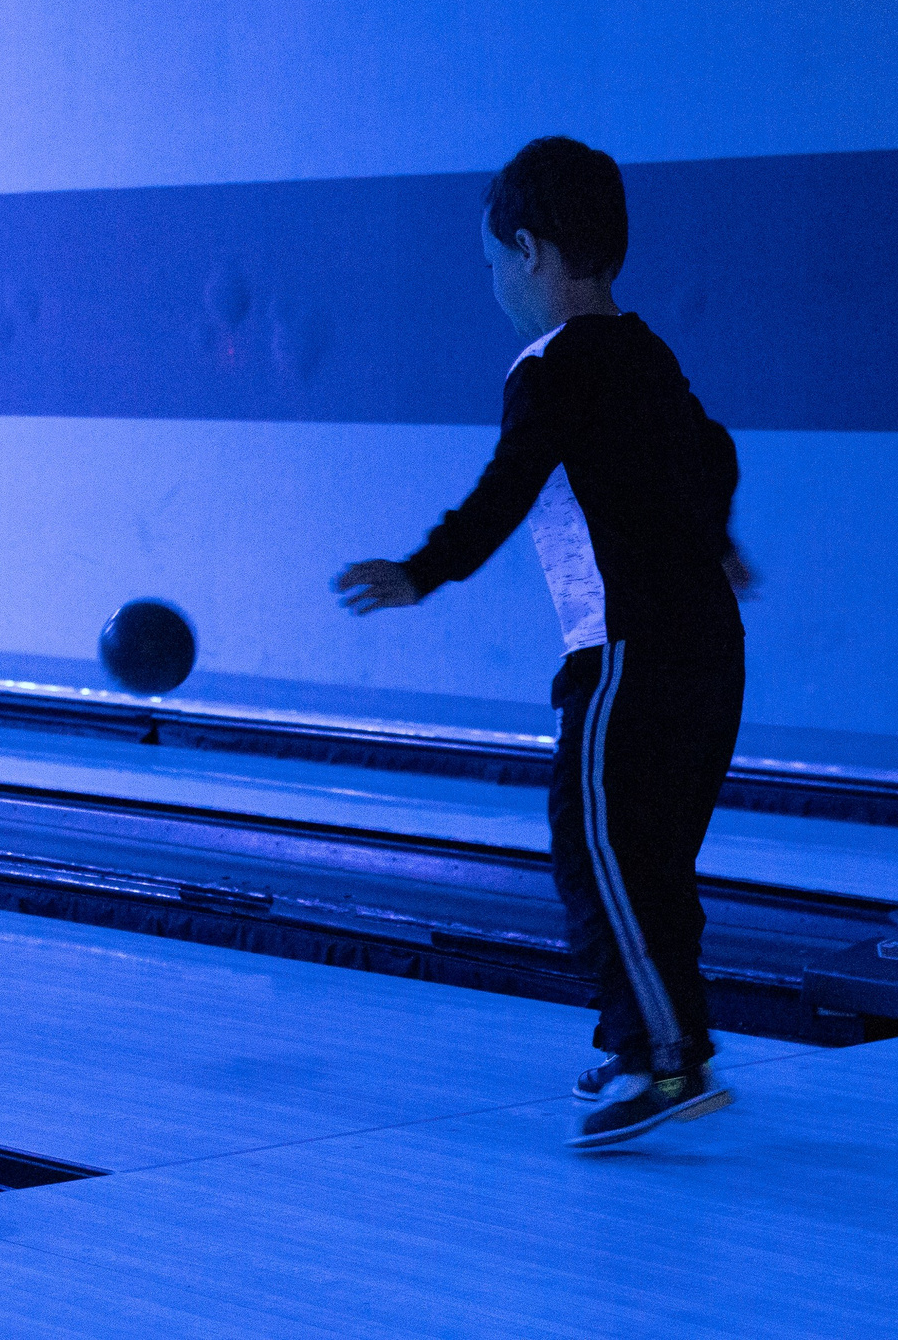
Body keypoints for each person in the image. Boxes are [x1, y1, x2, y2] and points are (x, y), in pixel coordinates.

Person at [334, 135, 753, 1150]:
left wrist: (420, 572)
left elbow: (510, 481)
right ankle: (642, 1034)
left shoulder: (550, 366)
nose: (492, 288)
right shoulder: (648, 351)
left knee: (596, 850)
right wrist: (714, 536)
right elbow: (713, 451)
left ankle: (667, 1061)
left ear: (529, 251)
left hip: (625, 656)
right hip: (710, 650)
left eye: (489, 265)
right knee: (651, 859)